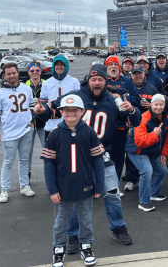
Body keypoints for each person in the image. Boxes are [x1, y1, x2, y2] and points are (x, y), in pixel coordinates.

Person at [35, 64, 140, 251]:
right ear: (88, 81)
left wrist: (132, 110)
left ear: (106, 82)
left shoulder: (113, 100)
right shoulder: (76, 96)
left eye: (101, 79)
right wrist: (41, 112)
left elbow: (136, 121)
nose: (97, 83)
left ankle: (118, 227)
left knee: (113, 193)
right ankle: (73, 235)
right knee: (76, 197)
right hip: (76, 156)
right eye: (94, 79)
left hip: (102, 155)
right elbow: (52, 111)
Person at [43, 95, 104, 267]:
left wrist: (99, 184)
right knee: (61, 221)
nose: (71, 113)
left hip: (85, 185)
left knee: (86, 220)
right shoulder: (54, 134)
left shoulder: (90, 132)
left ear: (82, 112)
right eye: (67, 110)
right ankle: (58, 249)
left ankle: (86, 245)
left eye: (74, 110)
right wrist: (52, 189)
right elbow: (48, 164)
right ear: (61, 111)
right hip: (63, 188)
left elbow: (98, 160)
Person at [0, 63, 35, 203]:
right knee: (8, 161)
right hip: (9, 132)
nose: (11, 76)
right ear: (4, 75)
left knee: (24, 159)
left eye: (13, 73)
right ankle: (4, 189)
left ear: (18, 73)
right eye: (8, 74)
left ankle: (24, 185)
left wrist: (32, 122)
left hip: (26, 130)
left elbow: (32, 107)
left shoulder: (26, 89)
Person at [125, 94, 168, 212]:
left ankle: (153, 193)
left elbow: (167, 139)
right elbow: (140, 142)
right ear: (151, 104)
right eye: (156, 104)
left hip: (152, 151)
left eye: (161, 104)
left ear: (164, 105)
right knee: (147, 170)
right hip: (137, 151)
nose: (158, 107)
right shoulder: (142, 118)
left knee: (163, 170)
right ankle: (144, 202)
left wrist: (164, 154)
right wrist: (154, 135)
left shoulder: (167, 119)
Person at [122, 64, 161, 191]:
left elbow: (160, 105)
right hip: (132, 125)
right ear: (131, 75)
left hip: (149, 125)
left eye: (140, 73)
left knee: (145, 152)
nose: (138, 76)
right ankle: (130, 179)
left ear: (144, 74)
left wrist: (150, 105)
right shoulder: (129, 89)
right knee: (132, 153)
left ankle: (143, 177)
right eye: (135, 74)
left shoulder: (152, 88)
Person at [105, 56, 140, 194]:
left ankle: (114, 186)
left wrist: (120, 97)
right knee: (101, 157)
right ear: (106, 67)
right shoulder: (101, 80)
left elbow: (137, 99)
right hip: (104, 127)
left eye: (115, 64)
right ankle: (100, 185)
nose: (113, 67)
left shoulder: (126, 81)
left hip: (121, 127)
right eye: (110, 65)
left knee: (118, 158)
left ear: (119, 67)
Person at [40, 56, 80, 139]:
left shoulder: (74, 81)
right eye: (57, 64)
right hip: (51, 124)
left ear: (66, 66)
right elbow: (43, 101)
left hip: (70, 124)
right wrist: (48, 110)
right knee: (51, 151)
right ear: (54, 66)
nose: (59, 67)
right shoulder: (47, 83)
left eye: (62, 64)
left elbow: (79, 101)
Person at [26, 61, 46, 181]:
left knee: (48, 150)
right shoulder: (24, 86)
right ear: (29, 72)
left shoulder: (46, 84)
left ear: (40, 71)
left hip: (44, 122)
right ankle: (26, 176)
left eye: (37, 70)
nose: (35, 73)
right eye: (32, 71)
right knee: (28, 151)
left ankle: (50, 176)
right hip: (29, 123)